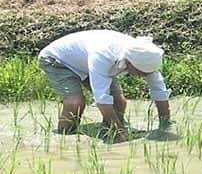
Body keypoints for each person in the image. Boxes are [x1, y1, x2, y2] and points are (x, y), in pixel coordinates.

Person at [37, 30, 172, 142]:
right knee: (75, 102)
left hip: (86, 61)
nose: (142, 76)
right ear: (130, 62)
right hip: (59, 61)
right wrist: (120, 132)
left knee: (119, 102)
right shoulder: (103, 55)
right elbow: (101, 99)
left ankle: (107, 131)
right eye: (140, 73)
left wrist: (164, 125)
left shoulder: (147, 58)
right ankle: (65, 136)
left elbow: (159, 91)